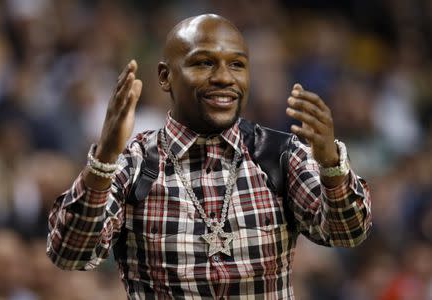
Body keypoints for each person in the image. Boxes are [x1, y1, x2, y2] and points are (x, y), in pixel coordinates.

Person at [47, 14, 371, 299]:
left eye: (237, 64)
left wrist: (331, 165)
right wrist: (104, 158)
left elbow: (348, 233)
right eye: (204, 62)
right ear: (165, 76)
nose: (224, 78)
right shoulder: (134, 164)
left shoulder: (280, 155)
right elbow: (70, 254)